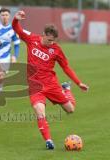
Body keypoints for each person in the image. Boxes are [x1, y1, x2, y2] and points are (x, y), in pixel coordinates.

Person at [12, 10, 89, 149]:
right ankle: (49, 141)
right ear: (43, 35)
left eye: (53, 41)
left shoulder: (56, 50)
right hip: (35, 86)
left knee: (70, 110)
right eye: (49, 40)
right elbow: (17, 29)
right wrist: (15, 20)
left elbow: (66, 67)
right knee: (40, 111)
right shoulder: (32, 39)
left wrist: (79, 83)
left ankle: (67, 89)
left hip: (51, 84)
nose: (51, 43)